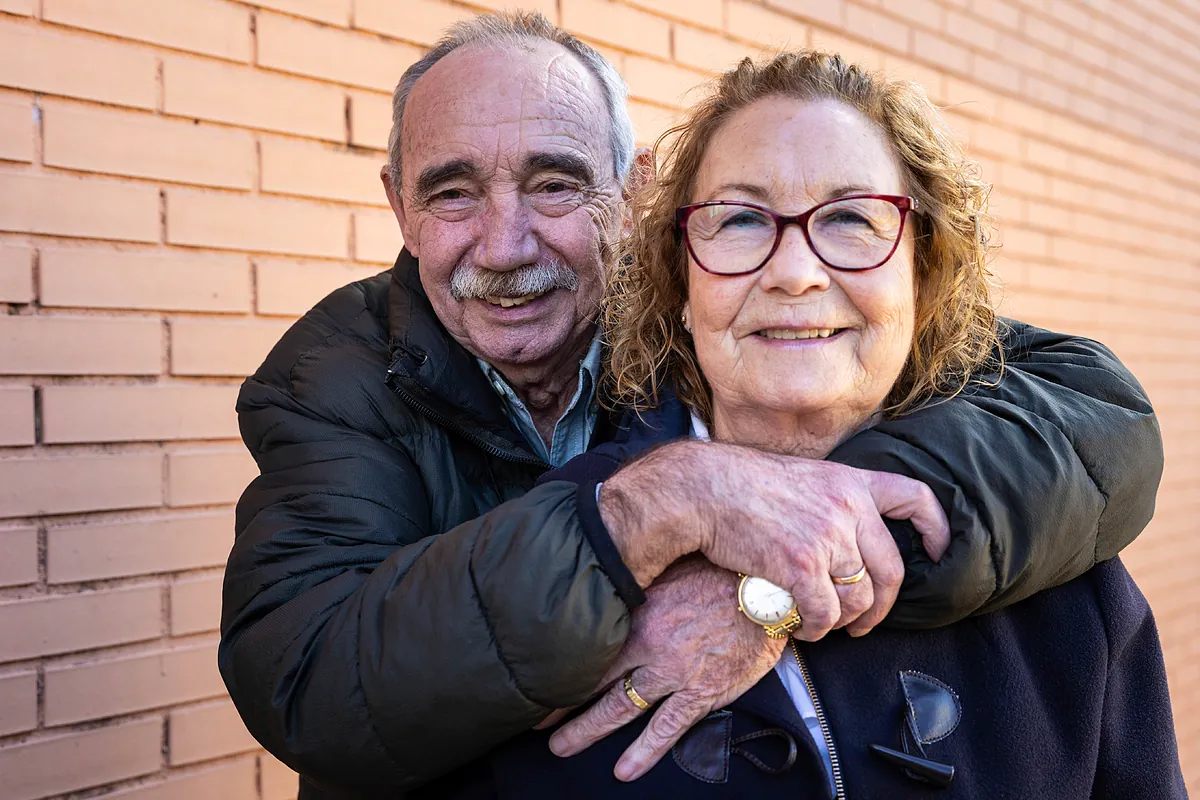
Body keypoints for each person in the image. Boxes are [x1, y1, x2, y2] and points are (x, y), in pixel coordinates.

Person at [218, 13, 1164, 799]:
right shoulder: (335, 385)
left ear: (628, 206)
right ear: (398, 205)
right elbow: (312, 678)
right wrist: (661, 508)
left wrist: (780, 573)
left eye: (555, 183)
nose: (505, 246)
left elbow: (1097, 416)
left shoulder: (1076, 597)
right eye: (453, 193)